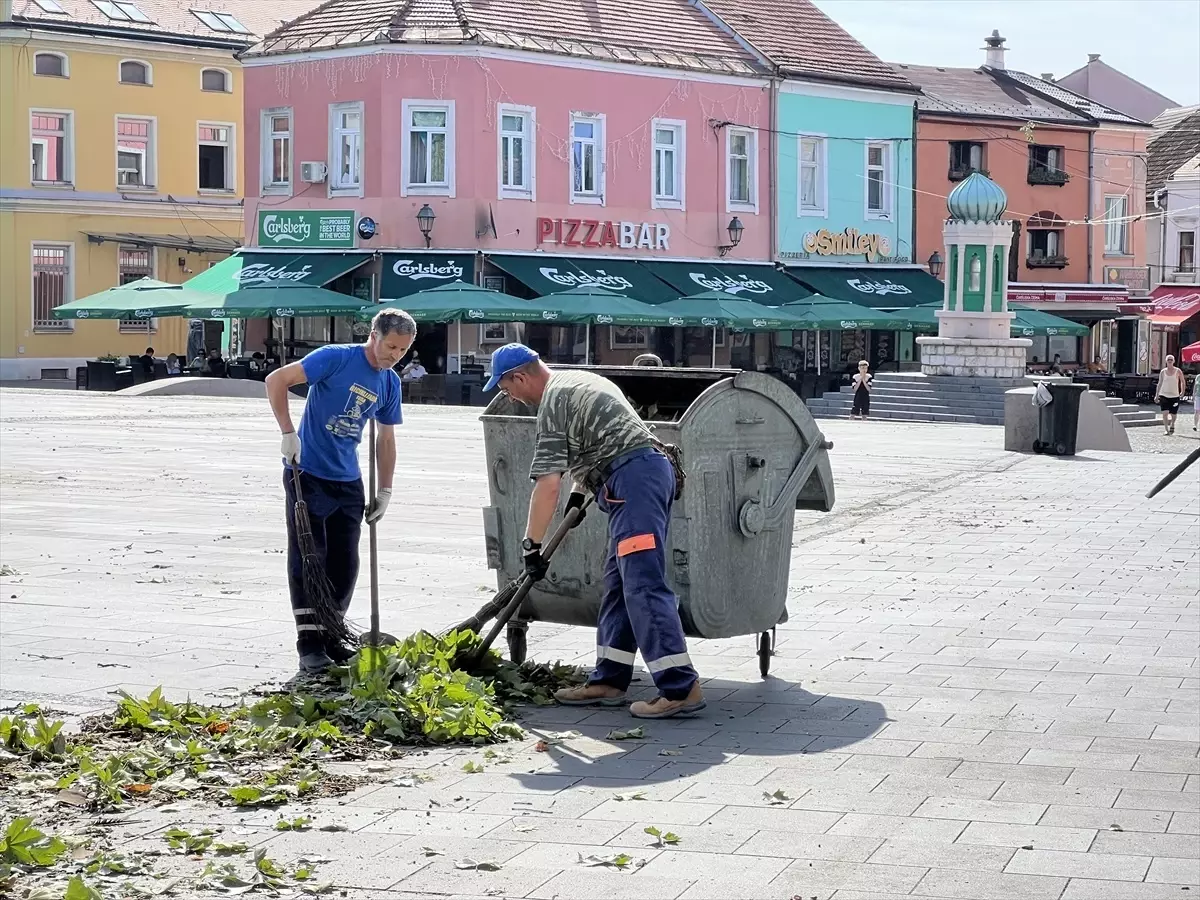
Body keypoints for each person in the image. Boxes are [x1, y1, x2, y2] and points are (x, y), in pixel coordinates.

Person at [485, 342, 704, 720]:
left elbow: (547, 484)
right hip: (637, 476)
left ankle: (680, 687)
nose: (511, 398)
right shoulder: (578, 382)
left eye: (506, 388)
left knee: (642, 584)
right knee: (619, 582)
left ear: (520, 376)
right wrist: (578, 498)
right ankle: (609, 679)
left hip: (633, 481)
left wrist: (531, 547)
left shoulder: (553, 402)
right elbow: (599, 444)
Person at [265, 308, 415, 673]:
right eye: (391, 347)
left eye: (402, 351)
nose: (394, 357)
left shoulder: (389, 383)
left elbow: (387, 438)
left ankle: (332, 636)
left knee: (345, 564)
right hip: (308, 471)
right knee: (309, 558)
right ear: (374, 335)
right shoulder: (334, 358)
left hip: (349, 480)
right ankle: (310, 646)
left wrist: (386, 490)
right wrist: (288, 432)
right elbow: (276, 380)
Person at [1154, 354, 1186, 435]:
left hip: (1175, 395)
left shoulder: (1178, 371)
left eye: (1171, 359)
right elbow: (1160, 383)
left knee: (1173, 414)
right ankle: (1166, 429)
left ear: (1174, 361)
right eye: (1168, 359)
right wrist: (1157, 395)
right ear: (1166, 361)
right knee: (1165, 413)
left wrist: (1182, 391)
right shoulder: (1163, 372)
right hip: (1164, 395)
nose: (1170, 360)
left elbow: (1182, 381)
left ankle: (1172, 424)